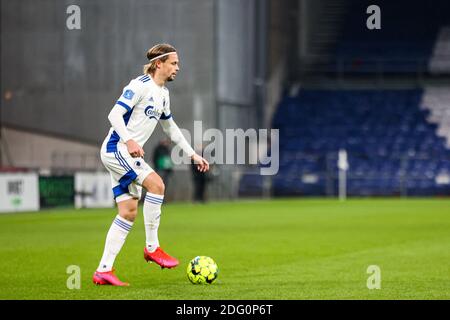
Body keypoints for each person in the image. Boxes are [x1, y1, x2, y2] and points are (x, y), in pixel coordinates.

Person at [93, 44, 209, 286]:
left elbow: (171, 129)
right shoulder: (139, 86)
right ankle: (152, 248)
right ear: (159, 64)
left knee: (128, 212)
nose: (178, 67)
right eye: (174, 63)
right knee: (157, 185)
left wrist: (192, 155)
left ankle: (104, 270)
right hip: (117, 149)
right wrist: (129, 139)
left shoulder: (163, 94)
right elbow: (114, 115)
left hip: (126, 153)